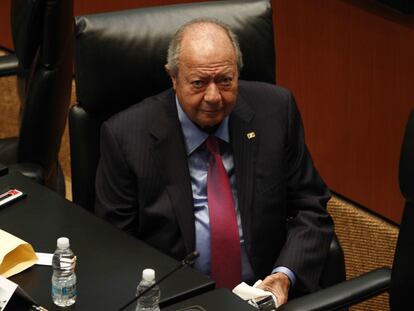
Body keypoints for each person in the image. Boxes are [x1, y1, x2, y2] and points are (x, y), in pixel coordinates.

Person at [95, 18, 333, 305]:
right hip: (178, 301)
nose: (213, 96)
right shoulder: (126, 137)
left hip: (268, 298)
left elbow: (310, 209)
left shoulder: (276, 112)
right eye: (198, 83)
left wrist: (283, 276)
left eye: (225, 80)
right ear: (173, 77)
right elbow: (117, 247)